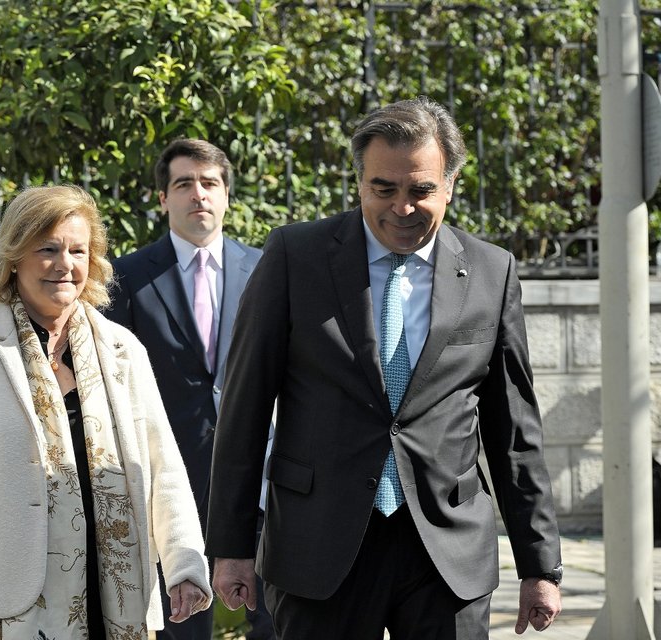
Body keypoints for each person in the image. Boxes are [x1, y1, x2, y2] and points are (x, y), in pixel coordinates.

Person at [206, 96, 563, 639]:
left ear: (450, 185)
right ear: (360, 183)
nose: (403, 207)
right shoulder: (295, 257)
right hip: (319, 546)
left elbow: (514, 432)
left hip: (448, 552)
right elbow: (244, 410)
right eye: (384, 189)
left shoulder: (492, 272)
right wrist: (231, 547)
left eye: (421, 190)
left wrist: (539, 565)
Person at [0, 184, 211, 640]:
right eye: (47, 249)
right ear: (14, 257)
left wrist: (185, 563)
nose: (65, 264)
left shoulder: (122, 349)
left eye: (77, 250)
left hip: (119, 587)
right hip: (14, 588)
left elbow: (164, 467)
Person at [106, 138, 273, 640]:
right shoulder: (127, 277)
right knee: (181, 623)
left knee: (276, 620)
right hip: (170, 479)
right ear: (163, 198)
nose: (198, 194)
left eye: (209, 183)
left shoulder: (268, 269)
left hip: (260, 475)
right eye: (183, 184)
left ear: (226, 195)